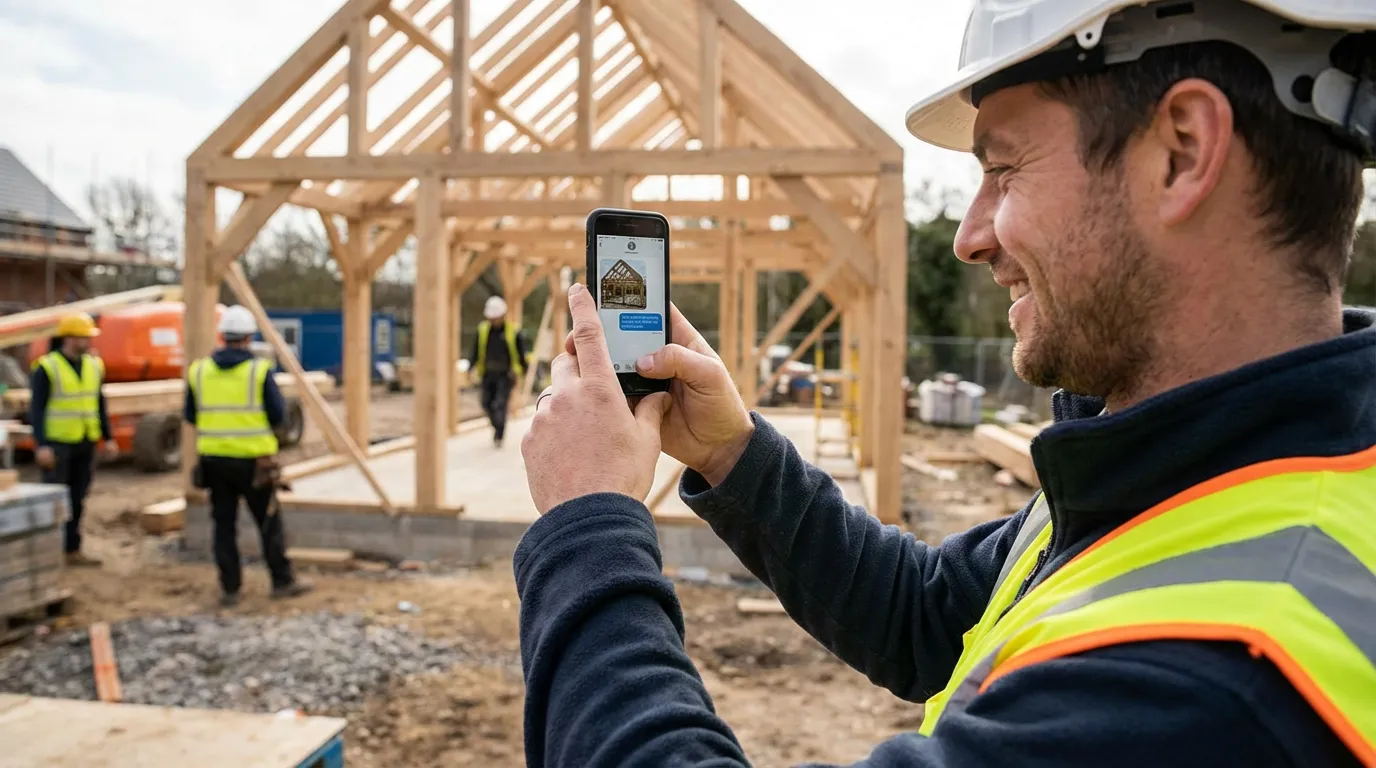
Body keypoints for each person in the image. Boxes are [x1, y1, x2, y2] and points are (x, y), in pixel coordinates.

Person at [514, 2, 1376, 766]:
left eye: (1003, 170)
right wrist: (731, 453)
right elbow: (932, 618)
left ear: (1182, 151)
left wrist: (589, 526)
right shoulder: (1200, 473)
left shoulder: (1223, 678)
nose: (968, 237)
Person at [184, 305, 310, 608]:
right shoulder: (258, 371)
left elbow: (190, 415)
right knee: (268, 523)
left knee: (223, 526)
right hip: (254, 464)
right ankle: (281, 581)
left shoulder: (199, 371)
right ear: (249, 337)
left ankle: (230, 588)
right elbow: (279, 415)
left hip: (214, 461)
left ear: (222, 336)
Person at [28, 312, 119, 567]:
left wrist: (108, 437)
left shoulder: (93, 365)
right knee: (55, 500)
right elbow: (37, 409)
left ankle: (72, 549)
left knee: (78, 498)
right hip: (57, 444)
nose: (89, 341)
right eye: (84, 337)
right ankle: (49, 553)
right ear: (69, 338)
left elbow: (99, 404)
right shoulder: (47, 368)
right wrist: (41, 444)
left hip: (84, 441)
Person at [469, 295, 527, 448]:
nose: (493, 321)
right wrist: (470, 367)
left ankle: (499, 435)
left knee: (499, 405)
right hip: (488, 374)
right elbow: (475, 351)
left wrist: (523, 371)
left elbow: (521, 354)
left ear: (502, 316)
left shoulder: (513, 331)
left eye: (495, 318)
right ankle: (497, 427)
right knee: (486, 403)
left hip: (505, 375)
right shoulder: (482, 330)